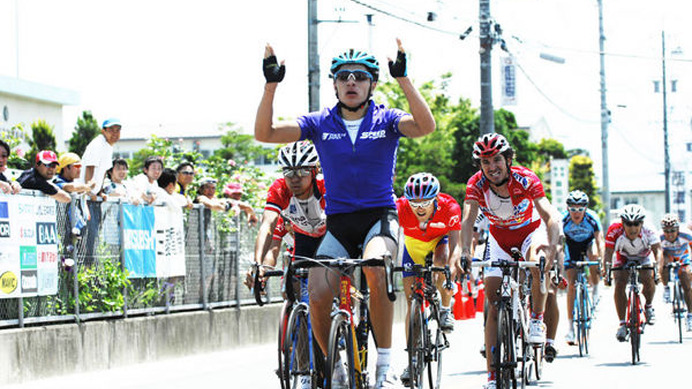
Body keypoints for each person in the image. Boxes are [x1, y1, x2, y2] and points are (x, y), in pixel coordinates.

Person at [254, 39, 436, 388]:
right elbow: (265, 134)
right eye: (343, 77)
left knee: (375, 270)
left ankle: (384, 365)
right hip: (338, 225)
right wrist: (270, 85)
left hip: (379, 219)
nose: (351, 82)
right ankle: (334, 368)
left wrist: (405, 80)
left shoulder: (387, 119)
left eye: (360, 77)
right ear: (334, 84)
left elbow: (425, 126)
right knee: (319, 294)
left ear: (372, 84)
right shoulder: (321, 122)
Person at [459, 133, 560, 389]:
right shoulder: (476, 184)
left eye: (496, 160)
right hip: (499, 238)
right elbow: (468, 220)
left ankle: (537, 318)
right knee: (493, 303)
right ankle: (492, 377)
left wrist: (552, 244)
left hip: (529, 233)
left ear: (508, 159)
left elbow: (549, 215)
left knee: (537, 261)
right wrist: (465, 253)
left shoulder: (525, 178)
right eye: (485, 162)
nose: (492, 167)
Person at [395, 172, 461, 384]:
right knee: (412, 302)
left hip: (438, 242)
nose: (419, 207)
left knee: (441, 262)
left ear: (436, 199)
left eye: (425, 202)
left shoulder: (449, 207)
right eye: (414, 202)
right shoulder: (400, 207)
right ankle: (412, 359)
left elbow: (456, 244)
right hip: (412, 247)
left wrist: (451, 268)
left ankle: (444, 308)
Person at [604, 204, 662, 342]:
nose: (632, 228)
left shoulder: (649, 230)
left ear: (642, 223)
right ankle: (622, 324)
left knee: (648, 277)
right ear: (622, 223)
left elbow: (658, 251)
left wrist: (657, 270)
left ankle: (648, 306)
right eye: (628, 224)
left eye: (636, 224)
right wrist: (606, 273)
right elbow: (608, 252)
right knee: (619, 282)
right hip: (623, 256)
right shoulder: (614, 230)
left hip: (643, 256)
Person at [561, 190, 604, 345]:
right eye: (573, 209)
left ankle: (596, 288)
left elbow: (600, 241)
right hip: (571, 246)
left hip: (588, 243)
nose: (576, 213)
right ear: (567, 209)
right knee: (571, 284)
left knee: (594, 254)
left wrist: (602, 263)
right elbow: (559, 244)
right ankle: (571, 328)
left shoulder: (592, 218)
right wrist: (558, 264)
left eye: (580, 209)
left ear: (586, 209)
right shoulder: (563, 220)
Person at [658, 213, 692, 331]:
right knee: (664, 262)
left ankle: (690, 315)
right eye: (666, 231)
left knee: (686, 282)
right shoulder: (659, 238)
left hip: (684, 257)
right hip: (669, 257)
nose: (670, 234)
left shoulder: (686, 235)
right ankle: (666, 288)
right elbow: (656, 254)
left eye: (673, 230)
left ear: (678, 229)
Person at [80, 118, 121, 197]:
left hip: (93, 195)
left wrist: (99, 192)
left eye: (117, 130)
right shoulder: (98, 143)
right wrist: (88, 191)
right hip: (83, 195)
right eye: (111, 130)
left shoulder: (108, 146)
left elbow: (104, 171)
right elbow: (90, 167)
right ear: (103, 131)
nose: (115, 133)